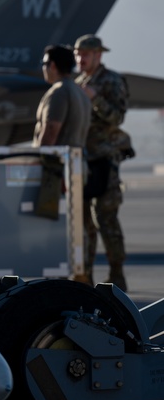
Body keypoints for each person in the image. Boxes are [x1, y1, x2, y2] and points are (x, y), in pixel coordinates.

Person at [74, 34, 132, 290]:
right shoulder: (78, 82)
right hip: (83, 160)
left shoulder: (111, 81)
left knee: (106, 218)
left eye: (85, 54)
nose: (81, 59)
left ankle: (117, 274)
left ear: (98, 55)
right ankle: (84, 275)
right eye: (78, 54)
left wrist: (94, 98)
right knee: (83, 221)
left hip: (105, 159)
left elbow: (117, 117)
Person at [34, 44, 91, 147]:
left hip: (56, 161)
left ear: (52, 65)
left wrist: (40, 156)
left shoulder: (59, 91)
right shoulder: (80, 91)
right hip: (76, 159)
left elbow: (51, 131)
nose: (43, 68)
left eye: (44, 63)